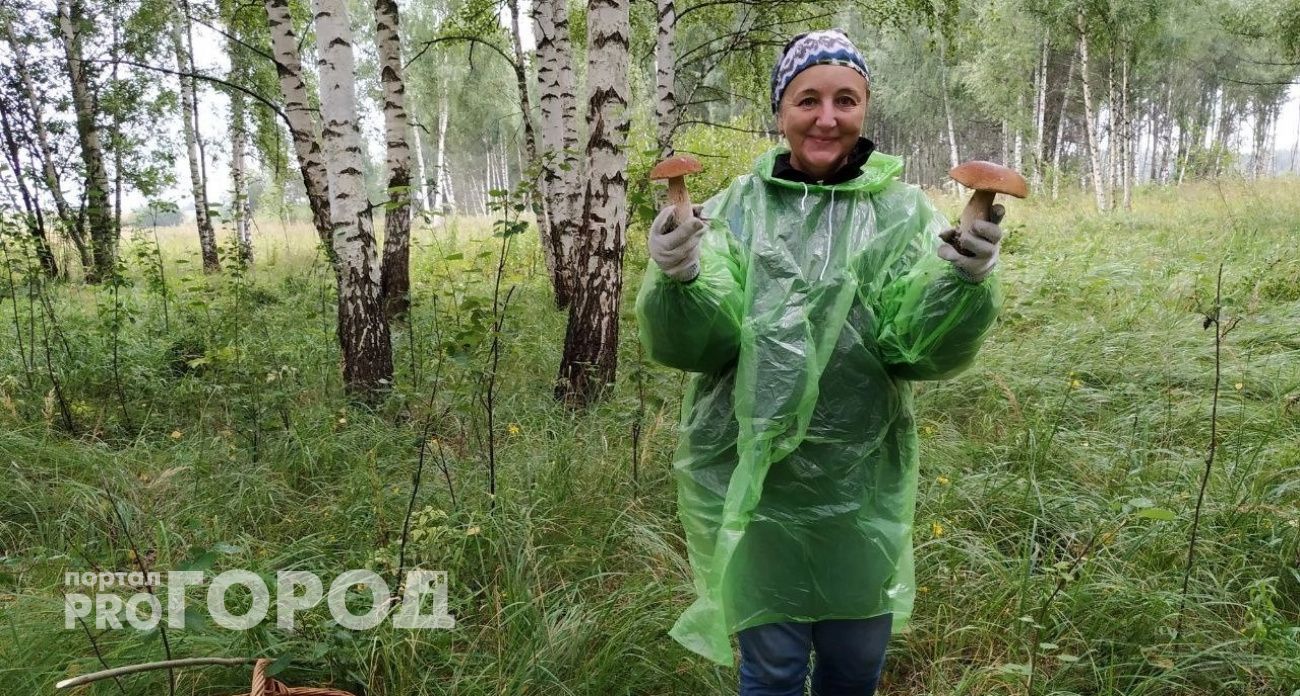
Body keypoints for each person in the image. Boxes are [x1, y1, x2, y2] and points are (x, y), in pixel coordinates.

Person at [635, 29, 1007, 696]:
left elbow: (915, 350)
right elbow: (698, 346)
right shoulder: (734, 213)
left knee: (853, 668)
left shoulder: (901, 216)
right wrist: (681, 280)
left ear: (866, 108)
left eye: (846, 99)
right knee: (771, 669)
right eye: (808, 99)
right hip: (754, 480)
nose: (828, 117)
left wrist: (962, 283)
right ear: (781, 111)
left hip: (859, 489)